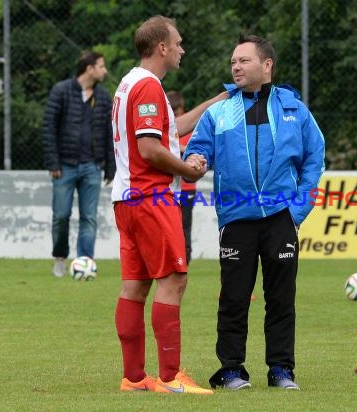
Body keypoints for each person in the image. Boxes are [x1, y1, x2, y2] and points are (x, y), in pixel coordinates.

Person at [185, 34, 325, 391]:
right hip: (236, 220)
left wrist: (297, 211)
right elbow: (198, 148)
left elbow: (315, 158)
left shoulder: (294, 109)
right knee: (233, 298)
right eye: (233, 61)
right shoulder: (219, 111)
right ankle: (231, 370)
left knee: (281, 298)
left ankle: (281, 370)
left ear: (266, 66)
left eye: (244, 60)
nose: (236, 66)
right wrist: (195, 159)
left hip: (281, 218)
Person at [111, 15, 227, 394]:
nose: (182, 49)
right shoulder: (147, 86)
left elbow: (170, 131)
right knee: (174, 280)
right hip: (150, 196)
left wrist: (217, 101)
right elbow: (150, 149)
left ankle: (133, 378)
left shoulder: (132, 83)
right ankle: (170, 377)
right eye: (177, 42)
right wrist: (187, 171)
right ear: (161, 47)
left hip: (128, 199)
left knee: (135, 287)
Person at [42, 51, 115, 277]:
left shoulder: (103, 97)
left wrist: (110, 166)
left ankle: (84, 263)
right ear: (89, 68)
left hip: (92, 167)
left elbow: (110, 132)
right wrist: (53, 162)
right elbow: (48, 128)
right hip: (64, 167)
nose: (105, 71)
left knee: (89, 217)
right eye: (101, 66)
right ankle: (60, 258)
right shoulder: (61, 91)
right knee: (61, 215)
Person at [167, 90, 196, 264]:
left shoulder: (190, 126)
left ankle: (185, 259)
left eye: (177, 112)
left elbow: (194, 151)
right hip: (167, 188)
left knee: (184, 225)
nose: (175, 115)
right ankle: (172, 259)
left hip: (187, 188)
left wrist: (180, 149)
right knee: (170, 226)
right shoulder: (166, 124)